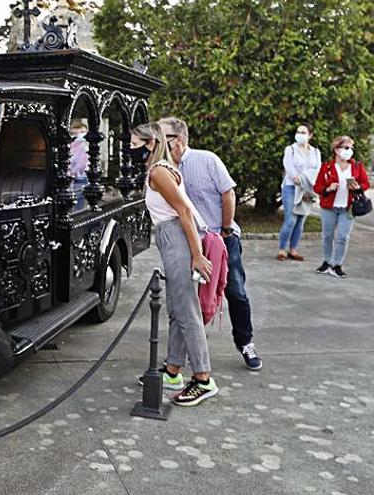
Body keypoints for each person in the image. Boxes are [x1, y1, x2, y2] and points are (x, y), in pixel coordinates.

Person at [158, 117, 262, 371]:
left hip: (222, 239)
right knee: (186, 301)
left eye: (163, 138)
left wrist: (225, 230)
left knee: (235, 292)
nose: (158, 142)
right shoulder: (164, 169)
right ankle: (176, 362)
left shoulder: (207, 160)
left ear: (178, 140)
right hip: (190, 243)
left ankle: (246, 342)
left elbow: (228, 193)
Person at [130, 122, 218, 407]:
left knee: (185, 309)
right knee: (177, 307)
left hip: (176, 236)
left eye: (135, 145)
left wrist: (196, 255)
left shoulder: (159, 171)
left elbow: (183, 211)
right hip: (171, 235)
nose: (130, 150)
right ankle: (173, 370)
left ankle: (203, 378)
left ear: (151, 144)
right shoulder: (162, 168)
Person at [313, 136, 370, 278]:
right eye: (346, 147)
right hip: (329, 208)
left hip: (348, 208)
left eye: (351, 148)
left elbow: (366, 183)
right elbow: (317, 187)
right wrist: (328, 189)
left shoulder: (357, 166)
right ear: (336, 150)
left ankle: (337, 265)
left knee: (343, 237)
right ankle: (327, 262)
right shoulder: (327, 167)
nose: (349, 151)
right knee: (327, 236)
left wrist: (358, 187)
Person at [278, 124, 321, 261]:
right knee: (290, 220)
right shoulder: (290, 149)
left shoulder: (315, 152)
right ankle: (282, 249)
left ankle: (293, 249)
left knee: (300, 221)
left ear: (310, 135)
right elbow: (289, 167)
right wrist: (298, 179)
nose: (300, 134)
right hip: (291, 187)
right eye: (298, 132)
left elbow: (317, 170)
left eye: (304, 132)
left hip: (307, 189)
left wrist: (310, 188)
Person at [69, 122, 89, 210]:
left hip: (80, 177)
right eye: (74, 133)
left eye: (82, 132)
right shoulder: (73, 145)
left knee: (77, 205)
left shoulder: (84, 144)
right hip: (75, 177)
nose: (79, 135)